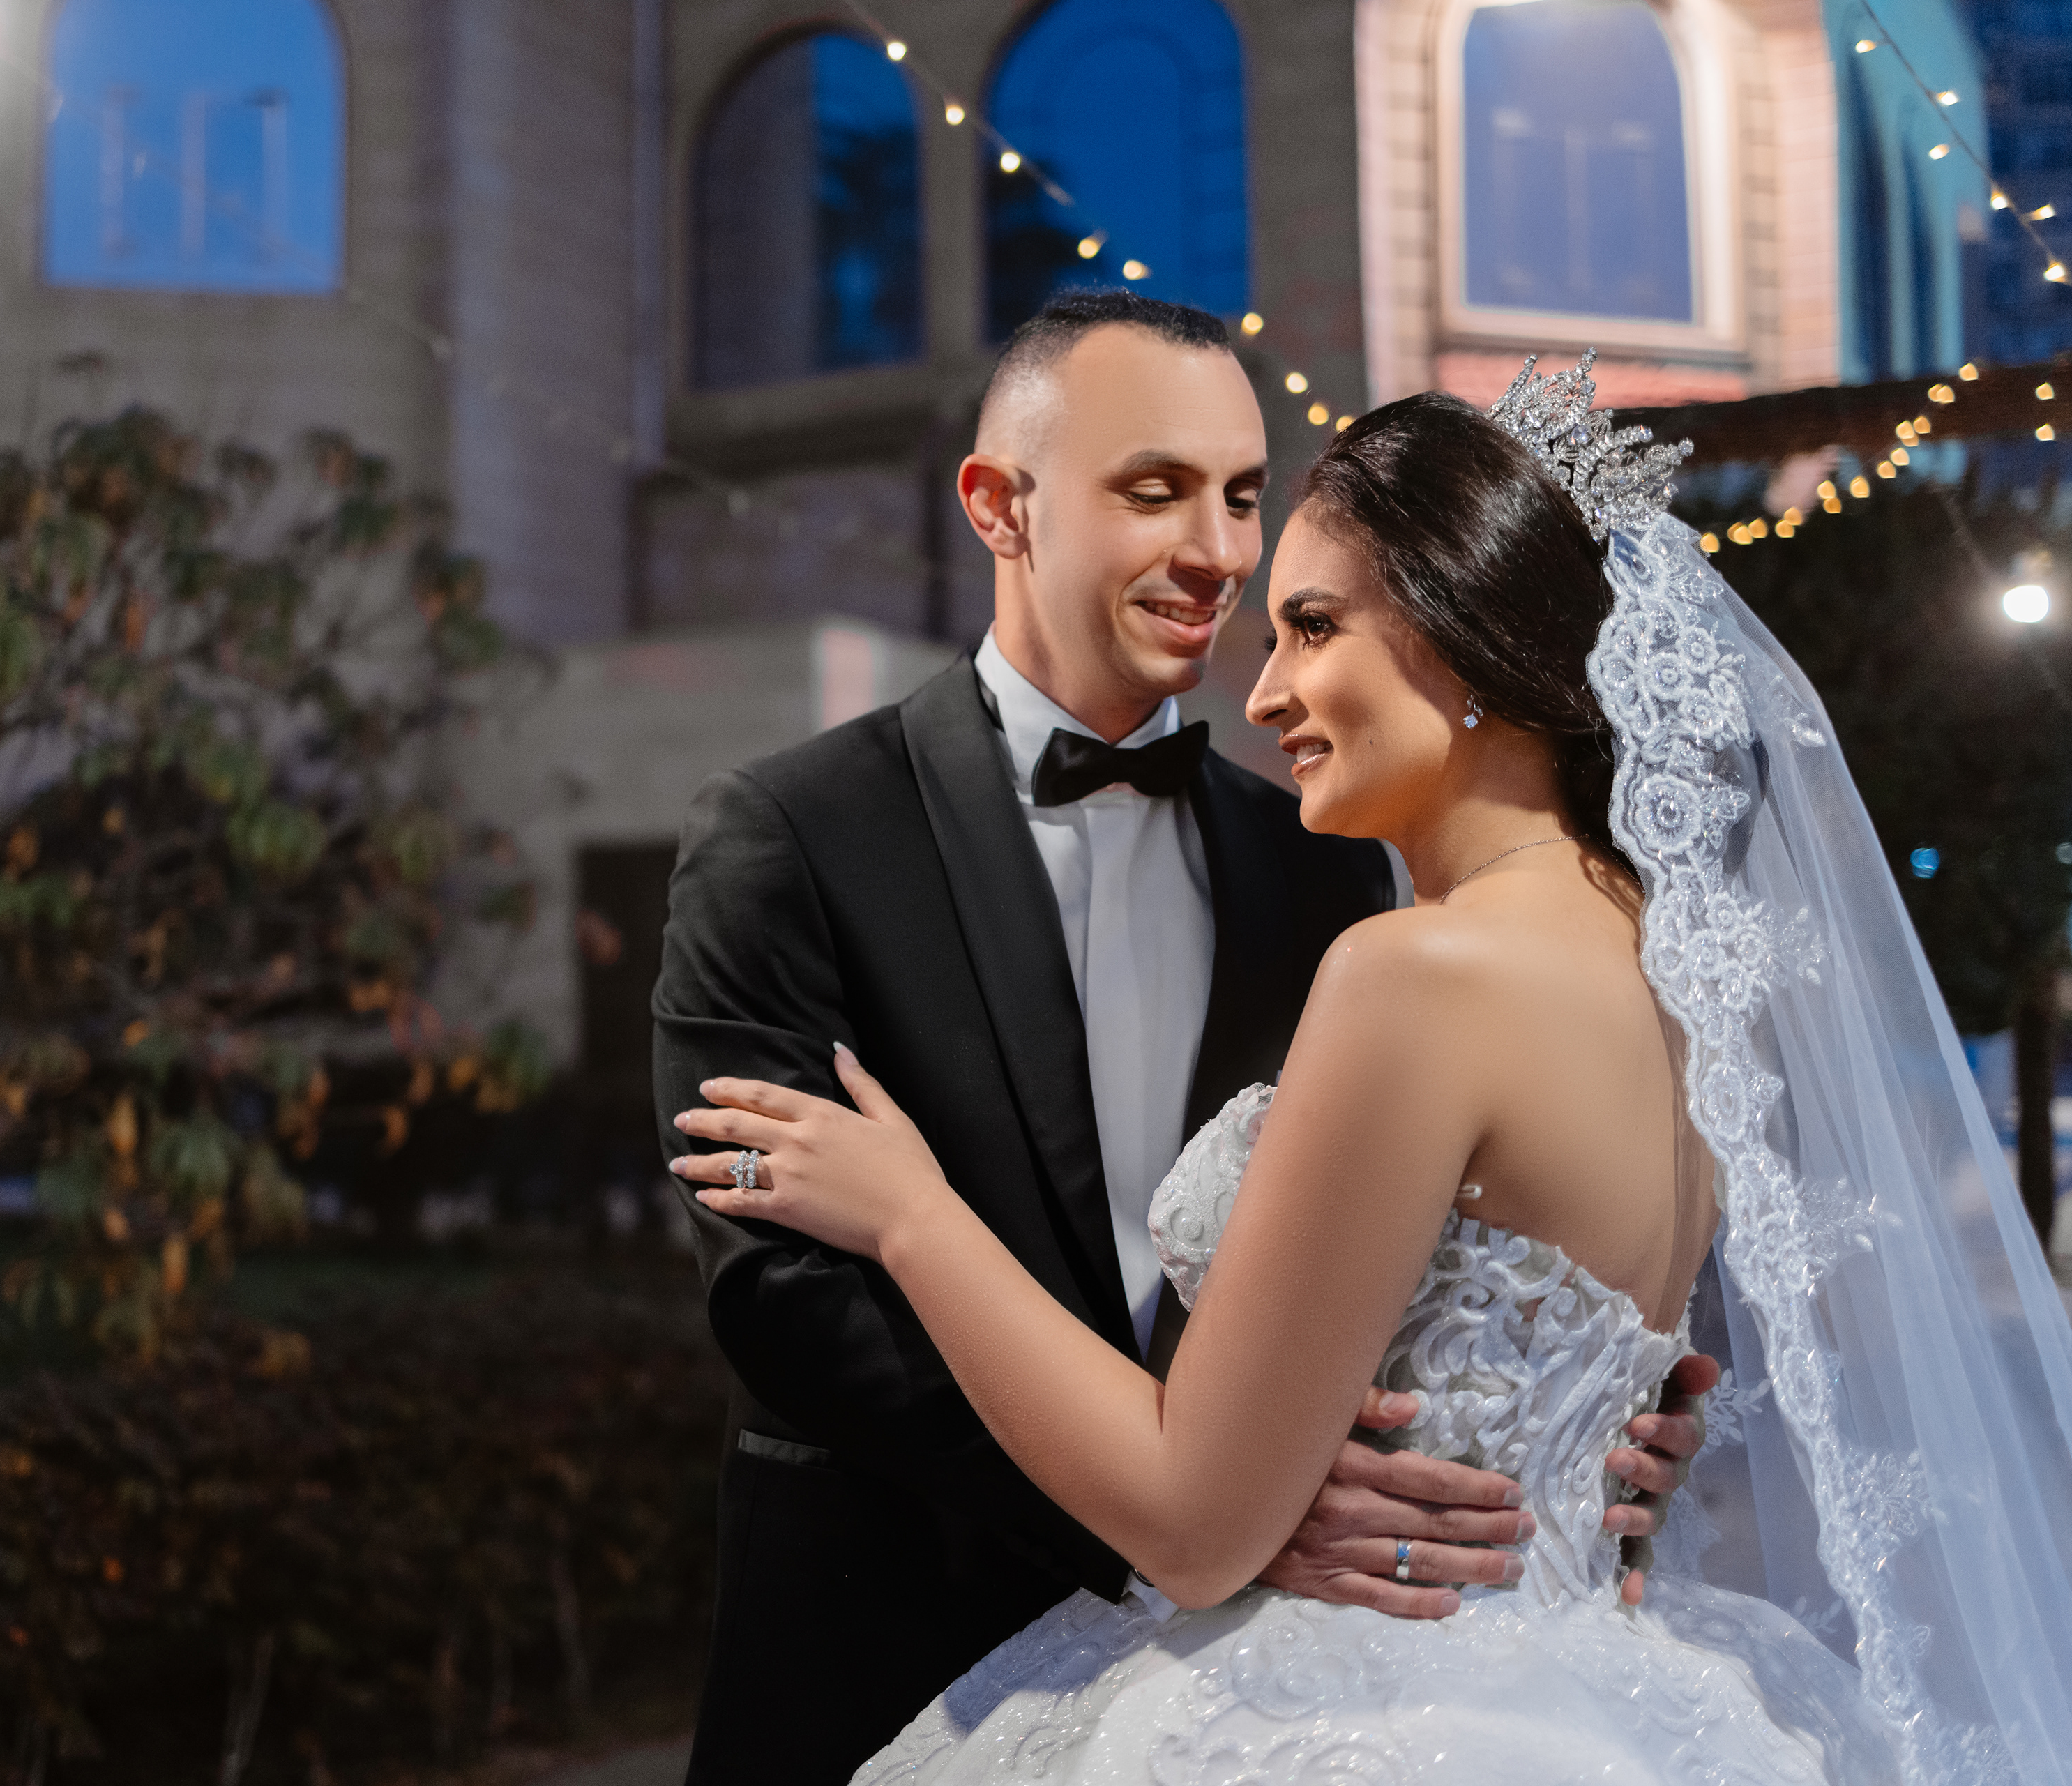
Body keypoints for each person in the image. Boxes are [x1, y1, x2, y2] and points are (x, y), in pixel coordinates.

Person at [670, 360, 2072, 1782]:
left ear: (1468, 632)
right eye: (1162, 495)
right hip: (1586, 1688)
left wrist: (911, 1213)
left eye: (1313, 625)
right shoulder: (1681, 968)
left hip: (1361, 1693)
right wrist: (1598, 1437)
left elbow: (1200, 1519)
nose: (1263, 684)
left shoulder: (1405, 963)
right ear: (1001, 508)